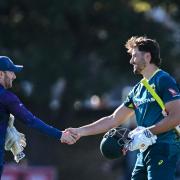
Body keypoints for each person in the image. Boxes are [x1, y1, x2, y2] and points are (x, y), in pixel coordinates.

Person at [65, 36, 180, 180]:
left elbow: (176, 117)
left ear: (148, 56)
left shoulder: (163, 80)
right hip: (144, 152)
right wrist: (80, 131)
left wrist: (147, 133)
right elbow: (113, 119)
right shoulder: (138, 89)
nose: (131, 61)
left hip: (164, 149)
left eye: (134, 56)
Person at [0, 56, 77, 177]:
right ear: (0, 74)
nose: (14, 76)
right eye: (11, 72)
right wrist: (60, 134)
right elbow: (31, 121)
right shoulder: (6, 97)